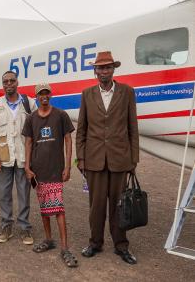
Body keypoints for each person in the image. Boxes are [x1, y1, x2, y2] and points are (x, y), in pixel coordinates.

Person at [76, 51, 139, 265]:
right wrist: (81, 159)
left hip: (120, 159)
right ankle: (95, 242)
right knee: (97, 206)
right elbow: (81, 129)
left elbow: (133, 128)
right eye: (100, 68)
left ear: (114, 69)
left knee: (119, 205)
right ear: (95, 71)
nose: (104, 71)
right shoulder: (87, 94)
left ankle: (121, 245)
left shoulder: (127, 92)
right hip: (94, 160)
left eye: (108, 67)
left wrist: (133, 160)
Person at [22, 83, 78, 268]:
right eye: (40, 94)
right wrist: (27, 167)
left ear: (50, 95)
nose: (44, 96)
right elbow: (29, 143)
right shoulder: (31, 118)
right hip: (38, 171)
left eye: (46, 93)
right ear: (36, 96)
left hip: (55, 170)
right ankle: (48, 239)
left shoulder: (60, 115)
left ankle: (65, 247)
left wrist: (68, 166)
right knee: (45, 207)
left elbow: (68, 140)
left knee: (58, 209)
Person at [0, 71, 36, 245]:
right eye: (5, 81)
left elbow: (36, 131)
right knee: (4, 194)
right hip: (3, 157)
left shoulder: (29, 103)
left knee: (24, 194)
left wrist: (33, 158)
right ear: (2, 84)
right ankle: (6, 226)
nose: (9, 84)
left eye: (12, 81)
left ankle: (24, 228)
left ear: (17, 82)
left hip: (23, 157)